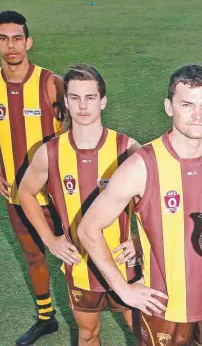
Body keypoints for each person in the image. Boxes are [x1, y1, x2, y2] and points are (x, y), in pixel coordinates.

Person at [77, 65, 202, 346]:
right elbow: (88, 228)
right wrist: (122, 289)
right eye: (187, 105)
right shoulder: (141, 166)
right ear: (169, 107)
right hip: (162, 306)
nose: (198, 115)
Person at [18, 64, 141, 345]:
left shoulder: (127, 148)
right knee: (87, 334)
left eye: (90, 97)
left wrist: (137, 240)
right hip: (79, 265)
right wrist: (50, 240)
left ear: (103, 101)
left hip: (124, 262)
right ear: (66, 102)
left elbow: (152, 204)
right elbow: (25, 192)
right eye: (74, 97)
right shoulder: (49, 153)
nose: (82, 106)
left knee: (143, 332)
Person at [0, 11, 65, 345]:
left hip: (60, 196)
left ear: (29, 42)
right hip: (16, 196)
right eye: (4, 38)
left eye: (17, 38)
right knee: (34, 257)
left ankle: (91, 315)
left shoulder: (52, 84)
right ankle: (46, 319)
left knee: (79, 257)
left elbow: (77, 130)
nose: (12, 45)